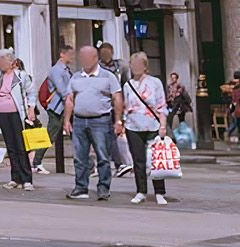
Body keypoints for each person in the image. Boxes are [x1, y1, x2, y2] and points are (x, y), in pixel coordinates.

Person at [63, 45, 123, 200]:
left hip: (100, 120)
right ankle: (80, 187)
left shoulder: (108, 76)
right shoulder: (76, 77)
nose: (84, 61)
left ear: (95, 58)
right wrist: (66, 121)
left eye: (88, 57)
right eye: (82, 57)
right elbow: (69, 99)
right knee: (79, 157)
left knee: (103, 156)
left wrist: (118, 121)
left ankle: (103, 188)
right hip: (79, 121)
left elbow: (117, 98)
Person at [119, 50, 171, 206]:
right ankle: (141, 191)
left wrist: (162, 125)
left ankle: (160, 192)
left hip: (152, 125)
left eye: (138, 65)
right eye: (133, 65)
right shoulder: (128, 85)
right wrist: (122, 122)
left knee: (155, 161)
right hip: (133, 126)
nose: (135, 67)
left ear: (145, 66)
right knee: (138, 161)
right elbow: (126, 106)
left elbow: (162, 105)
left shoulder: (155, 82)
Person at [0, 51, 39, 191]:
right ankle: (15, 178)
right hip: (2, 114)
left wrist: (31, 108)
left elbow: (31, 92)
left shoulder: (21, 75)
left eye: (2, 60)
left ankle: (26, 179)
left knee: (20, 146)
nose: (0, 62)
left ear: (11, 61)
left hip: (16, 113)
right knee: (10, 146)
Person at [43, 43, 77, 174]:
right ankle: (36, 162)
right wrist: (70, 99)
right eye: (70, 54)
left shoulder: (66, 70)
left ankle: (87, 164)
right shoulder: (56, 70)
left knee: (77, 136)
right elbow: (62, 90)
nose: (72, 57)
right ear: (62, 54)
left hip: (67, 107)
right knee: (50, 135)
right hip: (58, 107)